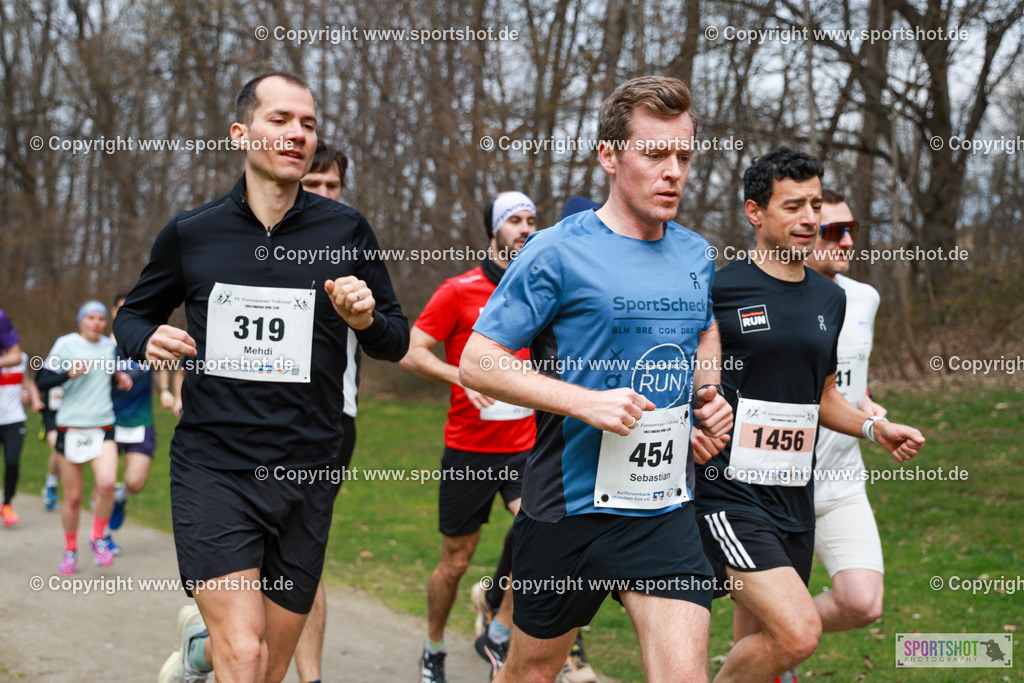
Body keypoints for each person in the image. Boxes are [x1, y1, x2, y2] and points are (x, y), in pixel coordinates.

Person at [113, 72, 408, 683]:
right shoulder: (193, 234)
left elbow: (396, 339)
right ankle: (217, 650)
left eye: (307, 123)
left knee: (267, 665)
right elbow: (134, 315)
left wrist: (366, 319)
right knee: (244, 654)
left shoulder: (344, 230)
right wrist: (147, 339)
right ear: (241, 133)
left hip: (306, 468)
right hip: (214, 465)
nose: (297, 134)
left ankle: (199, 655)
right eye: (280, 120)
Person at [459, 75, 733, 682]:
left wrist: (706, 393)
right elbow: (480, 360)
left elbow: (705, 328)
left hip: (664, 508)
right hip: (569, 511)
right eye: (655, 153)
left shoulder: (696, 253)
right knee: (530, 672)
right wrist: (585, 403)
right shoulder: (554, 251)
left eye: (684, 155)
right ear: (609, 156)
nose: (674, 172)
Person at [693, 147, 925, 682]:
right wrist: (690, 423)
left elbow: (822, 398)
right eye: (793, 205)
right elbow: (677, 373)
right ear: (755, 212)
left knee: (763, 642)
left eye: (815, 205)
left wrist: (874, 427)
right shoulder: (719, 289)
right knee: (799, 632)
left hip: (795, 493)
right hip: (731, 492)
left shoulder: (829, 298)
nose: (809, 219)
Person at [401, 191, 537, 682]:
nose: (525, 228)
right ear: (493, 230)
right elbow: (412, 351)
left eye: (530, 220)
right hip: (469, 450)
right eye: (514, 220)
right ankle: (433, 646)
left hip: (525, 446)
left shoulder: (537, 289)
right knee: (455, 562)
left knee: (540, 533)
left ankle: (499, 629)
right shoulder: (458, 290)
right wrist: (462, 376)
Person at [290, 140, 360, 683]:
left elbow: (397, 335)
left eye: (331, 185)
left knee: (302, 551)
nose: (322, 195)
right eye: (312, 184)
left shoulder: (355, 242)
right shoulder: (258, 241)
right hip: (249, 422)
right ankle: (208, 644)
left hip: (334, 419)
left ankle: (310, 677)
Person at [804, 189, 888, 634]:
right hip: (775, 487)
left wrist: (868, 407)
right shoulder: (773, 298)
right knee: (769, 636)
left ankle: (782, 630)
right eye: (835, 232)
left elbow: (853, 377)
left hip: (841, 480)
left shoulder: (865, 298)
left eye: (851, 230)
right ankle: (777, 643)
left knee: (863, 603)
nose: (847, 242)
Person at [36, 301, 132, 573]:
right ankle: (70, 549)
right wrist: (68, 374)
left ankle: (97, 537)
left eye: (101, 318)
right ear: (81, 321)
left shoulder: (110, 348)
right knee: (74, 498)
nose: (96, 323)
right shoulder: (65, 345)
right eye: (90, 317)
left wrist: (120, 378)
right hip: (71, 428)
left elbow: (107, 377)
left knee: (105, 484)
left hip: (103, 426)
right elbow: (41, 381)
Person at [102, 292, 174, 553]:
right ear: (113, 313)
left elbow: (160, 364)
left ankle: (121, 500)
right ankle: (103, 535)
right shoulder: (103, 346)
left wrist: (165, 390)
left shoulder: (145, 340)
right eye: (122, 309)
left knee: (135, 483)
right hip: (107, 421)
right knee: (105, 481)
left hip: (141, 420)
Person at [1, 309, 40, 527]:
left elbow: (26, 381)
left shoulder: (21, 358)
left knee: (13, 462)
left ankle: (7, 504)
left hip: (14, 417)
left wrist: (33, 398)